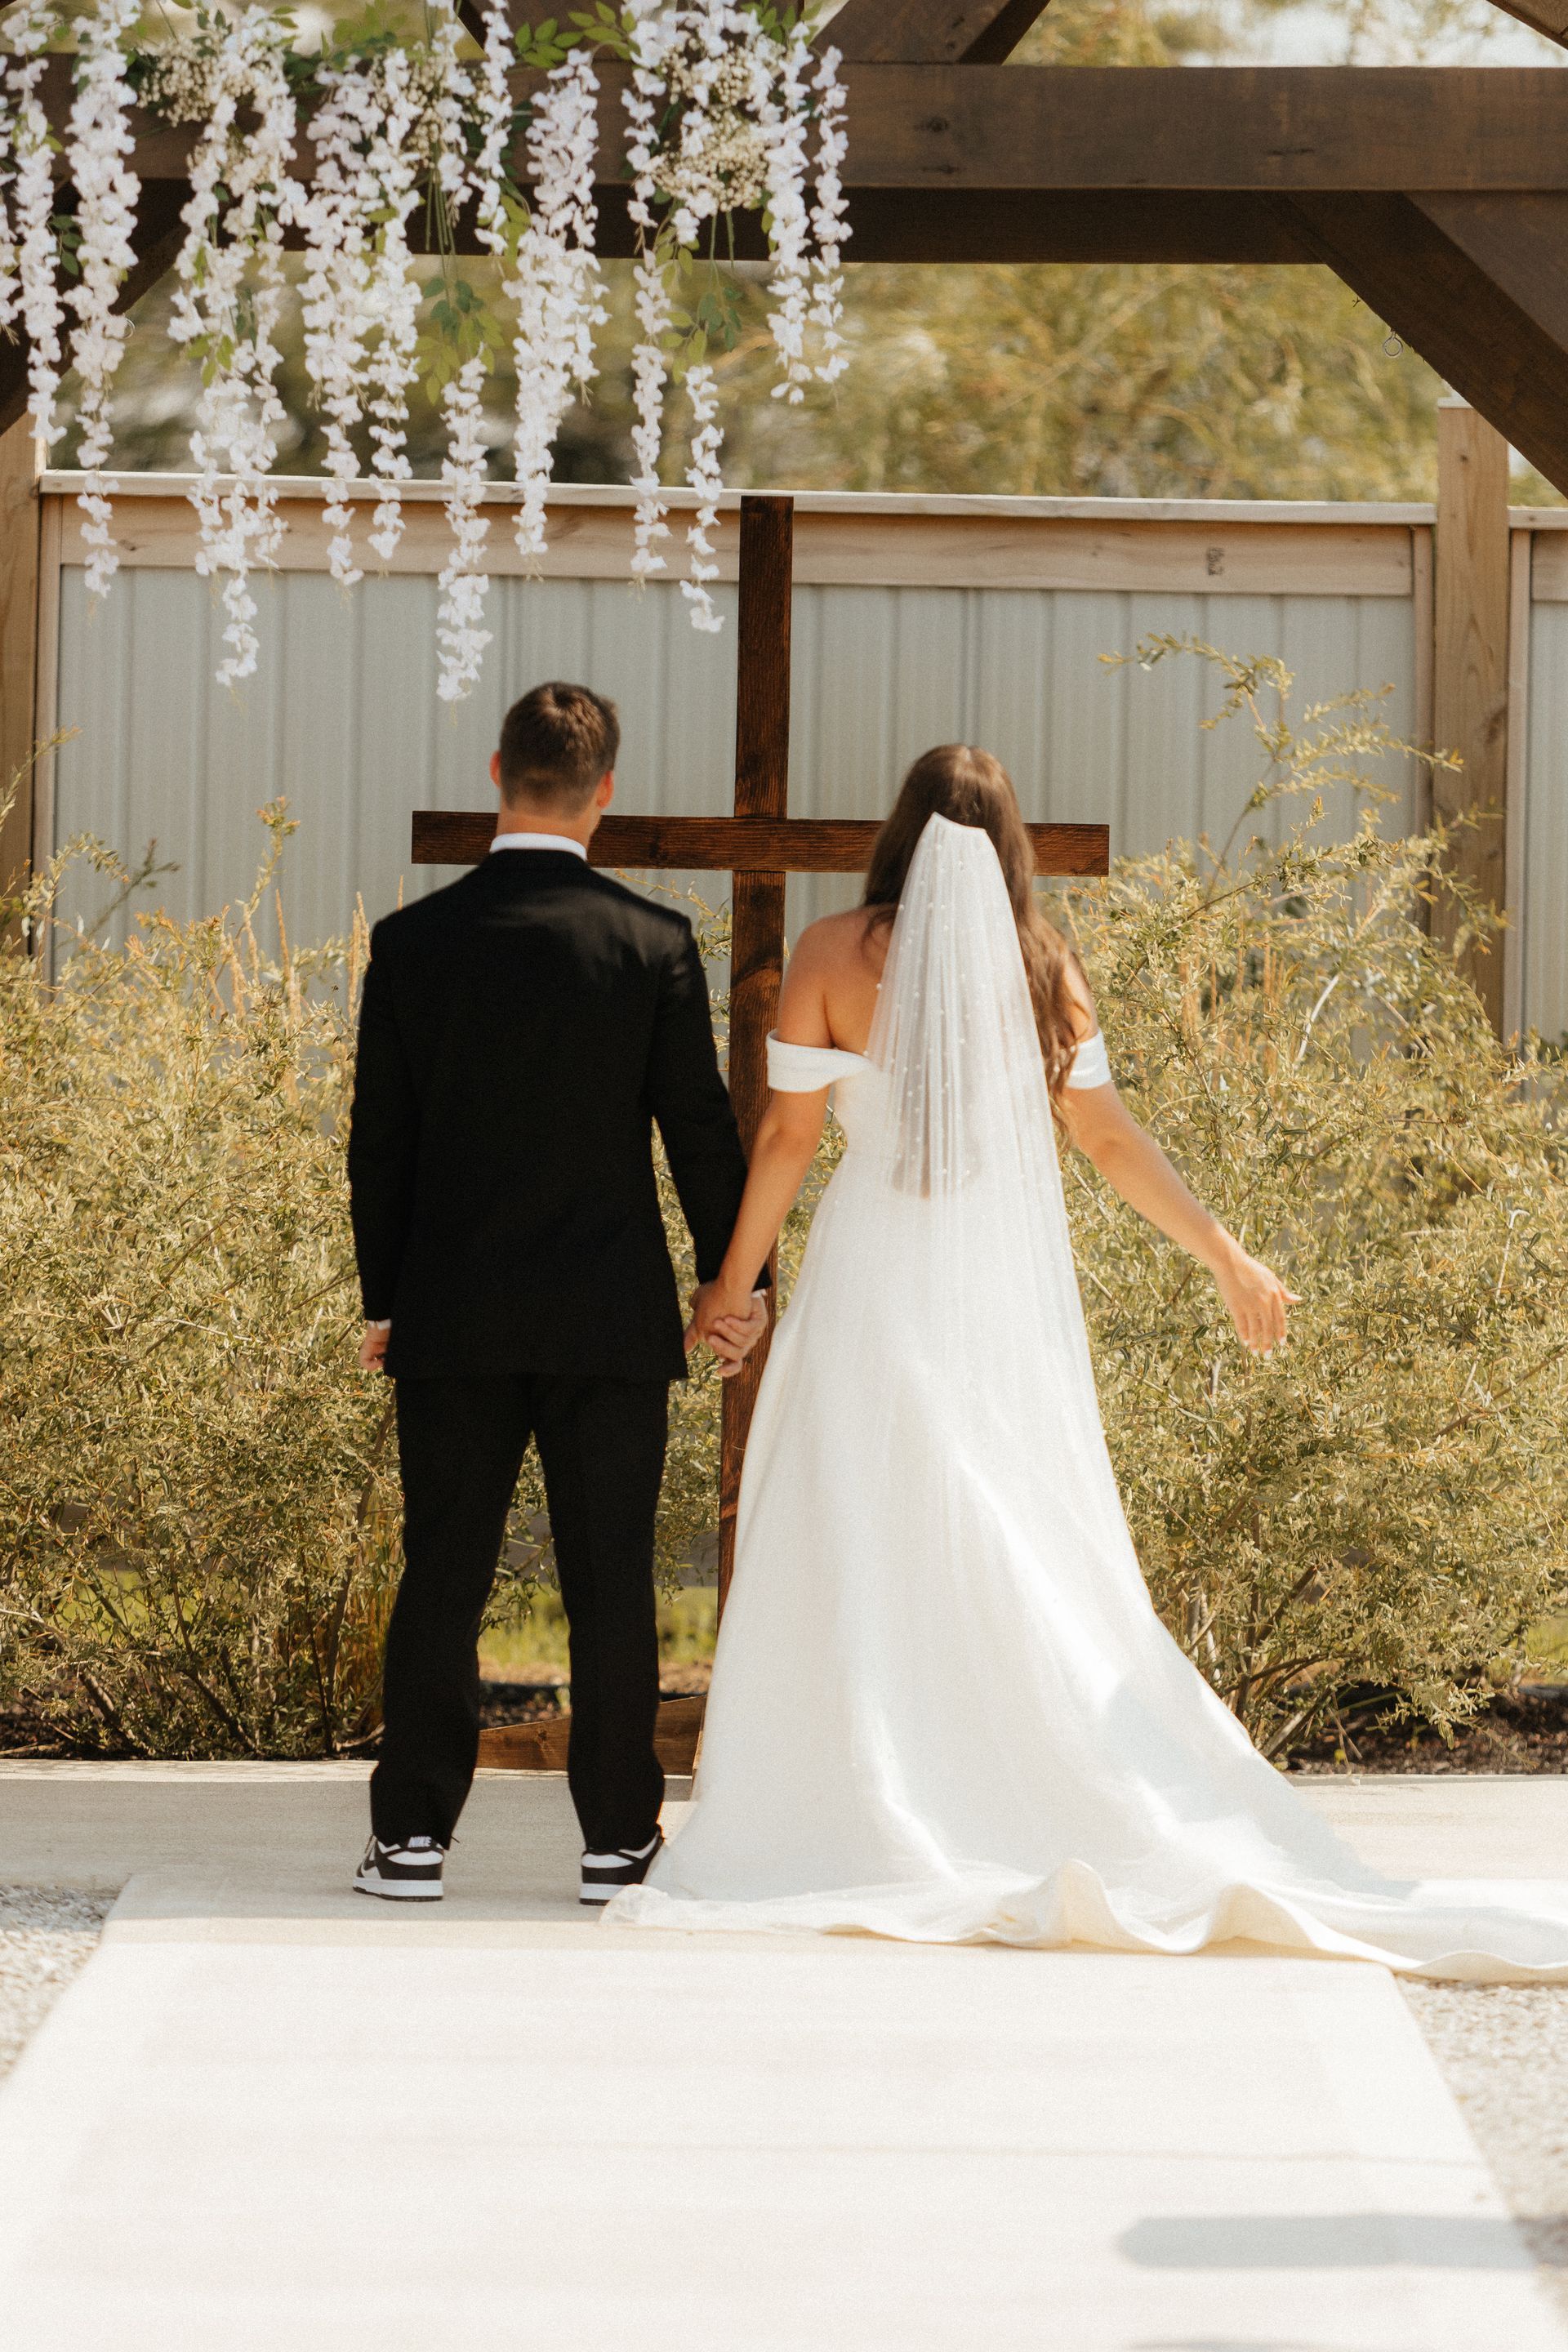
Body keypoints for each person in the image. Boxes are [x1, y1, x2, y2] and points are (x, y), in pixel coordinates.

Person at [609, 744, 1568, 1979]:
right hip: (995, 1302)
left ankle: (868, 1788)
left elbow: (789, 1139)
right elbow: (1111, 1143)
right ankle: (1006, 1775)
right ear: (1010, 845)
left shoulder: (833, 954)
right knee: (1009, 1526)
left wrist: (730, 1291)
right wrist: (1222, 1253)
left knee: (856, 1524)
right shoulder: (1044, 964)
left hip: (875, 1281)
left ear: (900, 833)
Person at [347, 681, 767, 1906]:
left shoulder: (413, 945)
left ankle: (413, 1840)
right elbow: (701, 1135)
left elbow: (381, 1142)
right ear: (607, 793)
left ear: (495, 772)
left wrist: (388, 1300)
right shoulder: (652, 943)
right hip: (610, 1320)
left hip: (455, 1314)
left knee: (445, 1570)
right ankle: (618, 1842)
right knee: (611, 1577)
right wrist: (733, 1289)